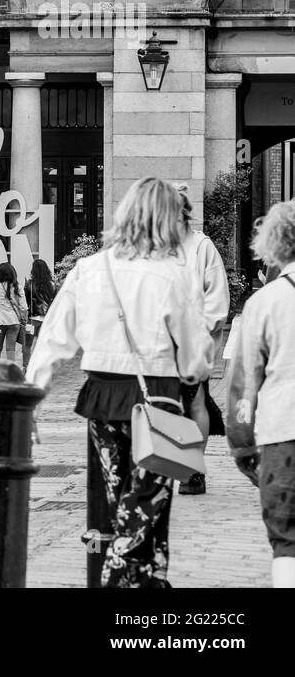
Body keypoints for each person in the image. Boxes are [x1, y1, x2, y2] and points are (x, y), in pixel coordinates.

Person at [27, 176, 212, 588]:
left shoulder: (88, 269)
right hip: (159, 397)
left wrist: (32, 399)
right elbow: (195, 356)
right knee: (146, 502)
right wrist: (194, 372)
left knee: (123, 500)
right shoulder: (170, 275)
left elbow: (53, 340)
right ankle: (119, 577)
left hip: (102, 396)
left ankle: (147, 582)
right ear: (165, 220)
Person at [225, 199, 295, 588]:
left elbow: (243, 386)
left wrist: (242, 444)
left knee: (287, 540)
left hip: (284, 436)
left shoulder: (266, 302)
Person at [173, 185, 229, 495]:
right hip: (156, 344)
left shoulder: (201, 246)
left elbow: (217, 298)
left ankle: (193, 471)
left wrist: (201, 336)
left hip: (192, 341)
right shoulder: (151, 248)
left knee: (194, 402)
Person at [0, 262, 28, 364]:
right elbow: (24, 307)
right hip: (14, 322)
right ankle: (11, 373)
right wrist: (24, 320)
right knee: (11, 350)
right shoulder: (18, 287)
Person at [24, 258, 56, 367]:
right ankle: (40, 366)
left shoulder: (29, 284)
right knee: (42, 345)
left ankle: (26, 368)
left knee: (27, 345)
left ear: (33, 270)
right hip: (47, 320)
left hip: (32, 320)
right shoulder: (52, 285)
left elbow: (26, 302)